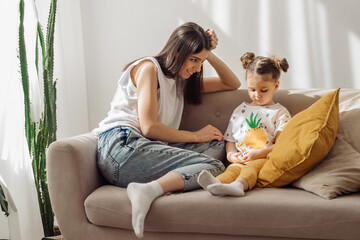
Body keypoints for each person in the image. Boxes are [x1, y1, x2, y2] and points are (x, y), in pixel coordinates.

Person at [93, 22, 240, 238]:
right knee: (214, 166)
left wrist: (207, 52)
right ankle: (147, 190)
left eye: (201, 62)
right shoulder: (149, 68)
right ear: (178, 52)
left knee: (216, 146)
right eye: (194, 60)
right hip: (121, 147)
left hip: (145, 149)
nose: (197, 68)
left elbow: (232, 83)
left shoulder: (181, 81)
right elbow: (149, 127)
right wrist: (195, 136)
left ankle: (150, 187)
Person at [197, 52, 291, 197]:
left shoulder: (279, 112)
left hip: (263, 159)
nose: (257, 95)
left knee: (250, 169)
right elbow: (230, 140)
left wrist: (259, 153)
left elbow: (282, 144)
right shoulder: (240, 110)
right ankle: (216, 183)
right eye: (252, 90)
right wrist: (231, 155)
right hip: (240, 159)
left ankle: (238, 186)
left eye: (263, 90)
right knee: (232, 170)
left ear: (276, 85)